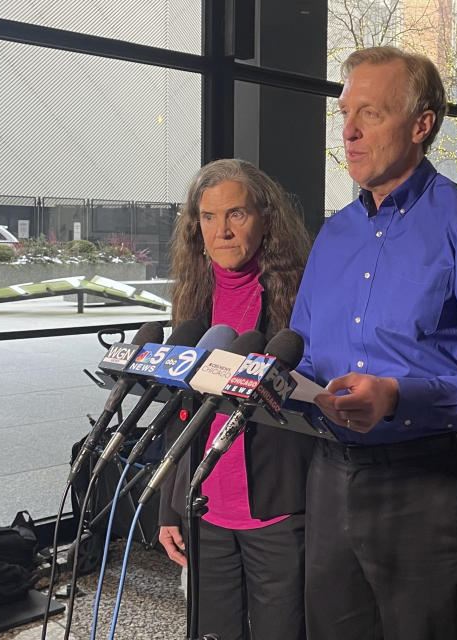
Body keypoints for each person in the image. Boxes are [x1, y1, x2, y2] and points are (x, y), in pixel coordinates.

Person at [288, 46, 457, 640]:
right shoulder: (333, 234)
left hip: (425, 489)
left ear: (422, 124)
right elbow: (300, 353)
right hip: (327, 478)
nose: (346, 131)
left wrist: (398, 396)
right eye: (344, 113)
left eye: (369, 114)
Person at [158, 158, 315, 640]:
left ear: (266, 219)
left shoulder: (301, 298)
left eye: (236, 214)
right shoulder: (192, 304)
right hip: (204, 508)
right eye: (208, 217)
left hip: (277, 509)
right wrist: (169, 507)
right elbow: (177, 413)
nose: (221, 231)